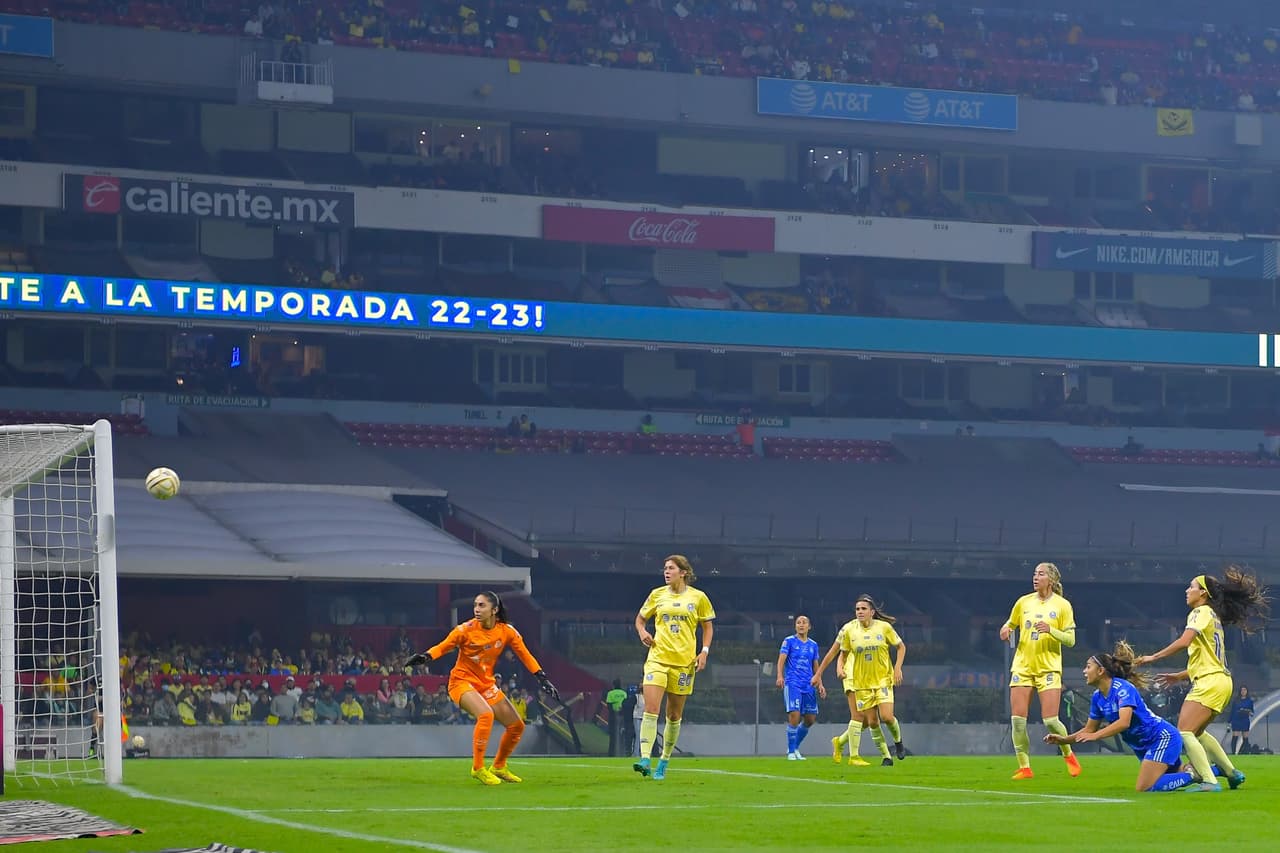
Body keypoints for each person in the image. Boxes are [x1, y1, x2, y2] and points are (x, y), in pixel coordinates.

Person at [406, 591, 560, 786]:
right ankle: (478, 768)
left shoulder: (507, 631)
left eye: (481, 606)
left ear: (494, 610)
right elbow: (443, 646)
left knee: (516, 726)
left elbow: (525, 655)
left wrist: (542, 678)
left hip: (486, 684)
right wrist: (425, 657)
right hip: (461, 683)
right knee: (486, 715)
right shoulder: (465, 630)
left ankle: (499, 767)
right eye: (475, 605)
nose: (476, 610)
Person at [1136, 567, 1270, 792]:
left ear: (1203, 593)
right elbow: (1209, 658)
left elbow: (1184, 641)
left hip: (1209, 682)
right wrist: (1179, 676)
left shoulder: (1200, 613)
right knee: (1197, 732)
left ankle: (1209, 780)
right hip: (1221, 681)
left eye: (1192, 587)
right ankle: (1231, 773)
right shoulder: (1214, 618)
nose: (1187, 590)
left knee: (1184, 732)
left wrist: (1153, 657)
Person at [1043, 641, 1195, 792]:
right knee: (1175, 775)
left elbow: (1124, 722)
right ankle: (1214, 771)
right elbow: (1089, 729)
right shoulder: (1097, 697)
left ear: (1101, 671)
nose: (1084, 671)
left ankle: (1194, 775)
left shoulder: (1122, 688)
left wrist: (1096, 736)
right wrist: (1064, 740)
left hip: (1161, 738)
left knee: (1146, 787)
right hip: (1143, 745)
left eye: (1088, 667)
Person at [633, 554, 715, 781]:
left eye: (671, 568)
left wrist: (704, 652)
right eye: (665, 568)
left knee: (674, 714)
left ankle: (664, 761)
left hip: (684, 664)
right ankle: (645, 758)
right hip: (657, 659)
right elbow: (640, 620)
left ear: (683, 572)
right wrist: (643, 632)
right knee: (650, 708)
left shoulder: (698, 598)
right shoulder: (656, 595)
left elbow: (707, 628)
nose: (666, 572)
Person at [999, 561, 1081, 780]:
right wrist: (1006, 629)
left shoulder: (1063, 605)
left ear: (1051, 579)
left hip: (1048, 668)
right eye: (1035, 574)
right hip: (1023, 665)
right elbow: (1010, 624)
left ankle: (1069, 755)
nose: (1036, 577)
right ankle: (1025, 767)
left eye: (1041, 574)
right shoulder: (1023, 602)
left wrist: (1051, 630)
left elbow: (1071, 640)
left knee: (1050, 721)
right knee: (1017, 720)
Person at [813, 594, 906, 767]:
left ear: (872, 612)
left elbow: (901, 647)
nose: (860, 612)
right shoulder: (849, 629)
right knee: (870, 721)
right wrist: (830, 670)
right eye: (857, 609)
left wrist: (898, 668)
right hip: (860, 682)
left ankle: (898, 742)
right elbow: (841, 652)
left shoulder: (883, 627)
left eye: (863, 609)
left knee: (886, 716)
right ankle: (886, 757)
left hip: (883, 679)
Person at [776, 615, 826, 760]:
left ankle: (795, 746)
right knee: (794, 715)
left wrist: (820, 684)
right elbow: (781, 660)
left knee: (810, 719)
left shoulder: (813, 645)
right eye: (798, 623)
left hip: (808, 685)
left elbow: (816, 666)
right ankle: (791, 752)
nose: (801, 625)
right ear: (795, 626)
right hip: (793, 683)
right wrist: (780, 676)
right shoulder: (789, 641)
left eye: (804, 623)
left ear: (809, 627)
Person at [1228, 685, 1255, 755]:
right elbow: (1232, 711)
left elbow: (1252, 713)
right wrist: (1229, 722)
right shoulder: (1236, 701)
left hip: (1245, 720)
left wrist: (1247, 712)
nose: (1243, 692)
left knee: (1245, 737)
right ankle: (1233, 752)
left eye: (1245, 690)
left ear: (1247, 691)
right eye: (1242, 690)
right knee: (1235, 736)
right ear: (1240, 691)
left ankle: (1244, 752)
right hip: (1236, 719)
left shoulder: (1249, 701)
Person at [604, 679, 627, 756]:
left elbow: (609, 705)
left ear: (613, 685)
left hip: (613, 716)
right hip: (623, 716)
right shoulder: (624, 693)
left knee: (612, 736)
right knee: (622, 735)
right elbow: (626, 704)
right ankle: (622, 752)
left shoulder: (610, 693)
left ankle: (611, 753)